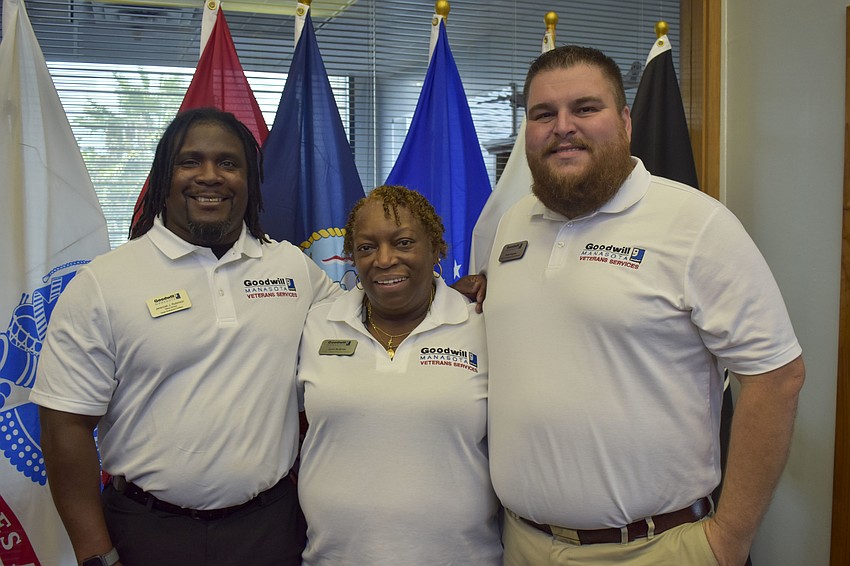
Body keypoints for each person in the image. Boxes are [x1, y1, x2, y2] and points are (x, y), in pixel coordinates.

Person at [484, 45, 805, 566]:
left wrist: (729, 541)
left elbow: (778, 377)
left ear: (626, 121)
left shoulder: (695, 224)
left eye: (586, 108)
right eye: (544, 114)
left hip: (657, 547)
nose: (563, 126)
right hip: (522, 543)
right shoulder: (513, 224)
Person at [30, 108, 343, 566]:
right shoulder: (105, 281)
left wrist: (451, 294)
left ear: (251, 181)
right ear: (164, 176)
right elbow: (66, 427)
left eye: (229, 163)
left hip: (271, 529)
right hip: (146, 530)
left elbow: (370, 314)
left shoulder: (291, 268)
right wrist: (95, 555)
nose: (210, 176)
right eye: (190, 161)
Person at [295, 185, 502, 565]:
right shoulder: (317, 324)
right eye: (367, 247)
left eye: (404, 242)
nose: (385, 259)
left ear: (436, 248)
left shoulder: (482, 326)